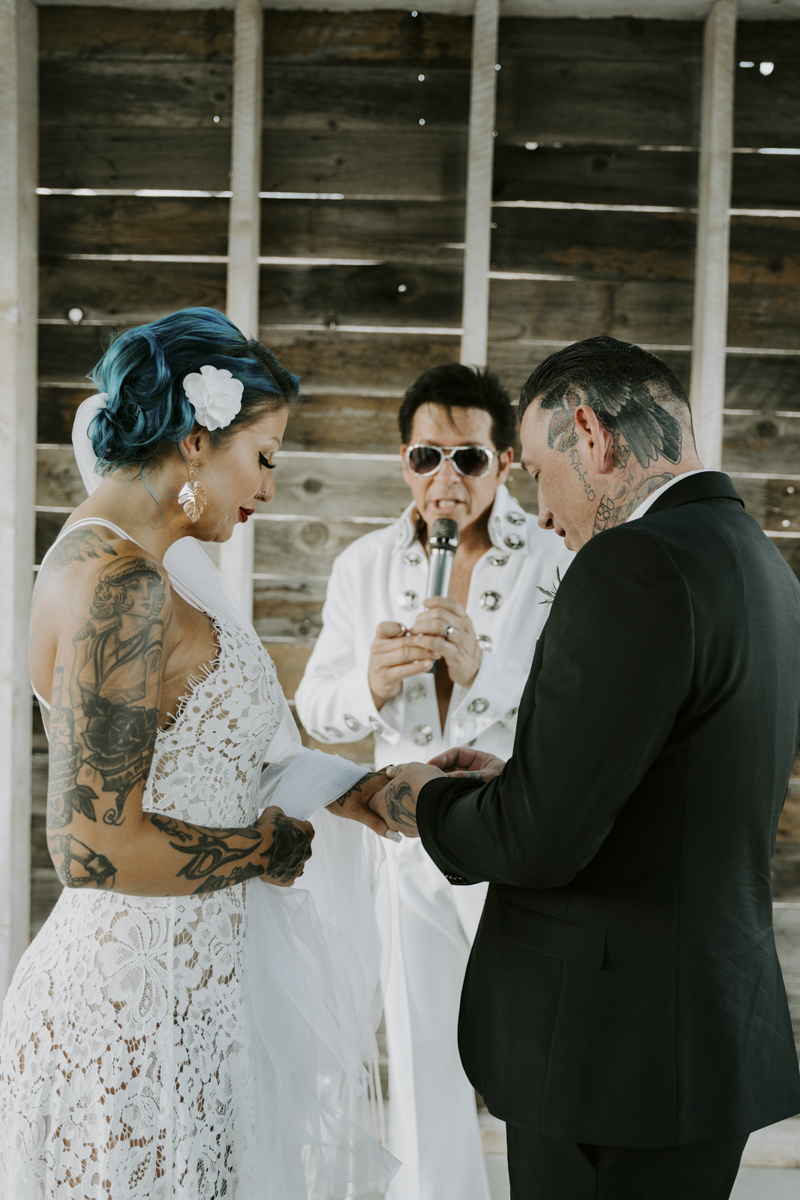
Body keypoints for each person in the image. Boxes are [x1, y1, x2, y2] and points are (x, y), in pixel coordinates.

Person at [370, 336, 800, 1200]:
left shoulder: (632, 562)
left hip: (611, 1054)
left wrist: (426, 801)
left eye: (537, 470)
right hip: (701, 1036)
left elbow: (539, 841)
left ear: (591, 436)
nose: (547, 507)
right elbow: (670, 781)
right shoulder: (759, 562)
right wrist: (519, 776)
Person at [0, 308, 399, 1199]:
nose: (269, 489)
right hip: (130, 1009)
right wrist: (266, 848)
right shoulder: (120, 586)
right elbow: (89, 848)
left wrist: (364, 790)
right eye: (262, 457)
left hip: (189, 997)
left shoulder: (144, 563)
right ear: (194, 440)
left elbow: (217, 753)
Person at [295, 364, 573, 1200]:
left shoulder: (554, 559)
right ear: (403, 462)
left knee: (538, 1047)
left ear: (505, 463)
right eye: (426, 457)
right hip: (408, 841)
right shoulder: (362, 564)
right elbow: (320, 707)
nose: (446, 479)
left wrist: (482, 674)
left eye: (470, 458)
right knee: (421, 1054)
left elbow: (582, 711)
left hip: (515, 834)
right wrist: (368, 688)